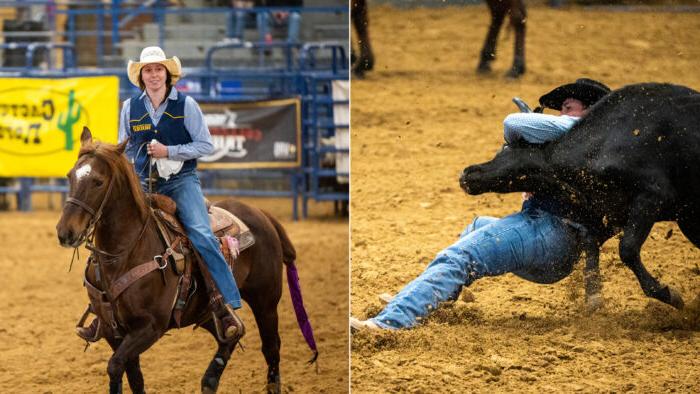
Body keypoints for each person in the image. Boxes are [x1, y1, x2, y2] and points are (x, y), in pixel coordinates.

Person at [351, 78, 611, 331]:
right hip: (559, 246)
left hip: (548, 232)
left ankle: (388, 323)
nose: (561, 113)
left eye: (568, 108)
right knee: (476, 227)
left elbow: (513, 122)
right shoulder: (600, 154)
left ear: (590, 111)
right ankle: (427, 300)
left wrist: (535, 134)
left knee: (460, 257)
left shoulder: (582, 131)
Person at [76, 46, 245, 342]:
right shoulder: (131, 108)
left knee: (202, 235)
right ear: (141, 76)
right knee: (109, 234)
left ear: (168, 74)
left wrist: (171, 151)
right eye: (148, 70)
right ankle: (102, 312)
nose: (153, 74)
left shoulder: (186, 105)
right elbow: (123, 148)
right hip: (142, 181)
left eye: (158, 69)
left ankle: (224, 304)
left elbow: (206, 145)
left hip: (181, 181)